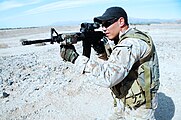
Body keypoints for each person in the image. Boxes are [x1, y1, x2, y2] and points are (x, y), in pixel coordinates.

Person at [60, 6, 160, 120]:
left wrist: (75, 59)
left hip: (139, 107)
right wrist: (101, 50)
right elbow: (116, 62)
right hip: (123, 99)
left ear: (121, 21)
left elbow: (108, 77)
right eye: (102, 25)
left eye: (107, 24)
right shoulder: (125, 38)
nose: (103, 28)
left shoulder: (130, 43)